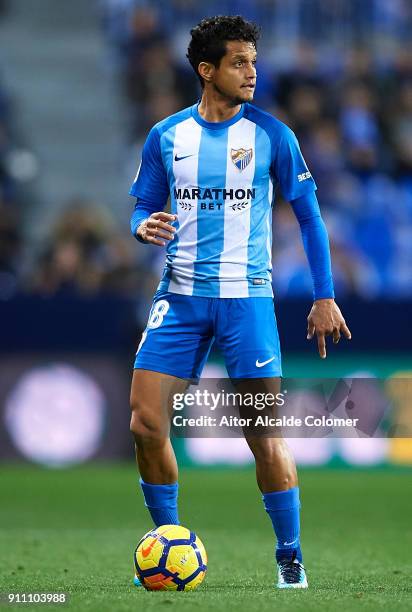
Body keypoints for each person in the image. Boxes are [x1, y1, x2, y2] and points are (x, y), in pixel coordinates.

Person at [129, 15, 351, 589]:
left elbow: (309, 217)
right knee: (146, 422)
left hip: (245, 301)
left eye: (253, 61)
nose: (252, 72)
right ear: (207, 70)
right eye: (238, 62)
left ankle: (290, 555)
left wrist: (324, 295)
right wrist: (142, 226)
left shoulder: (273, 135)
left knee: (263, 435)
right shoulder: (167, 136)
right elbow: (142, 205)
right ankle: (170, 542)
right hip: (177, 298)